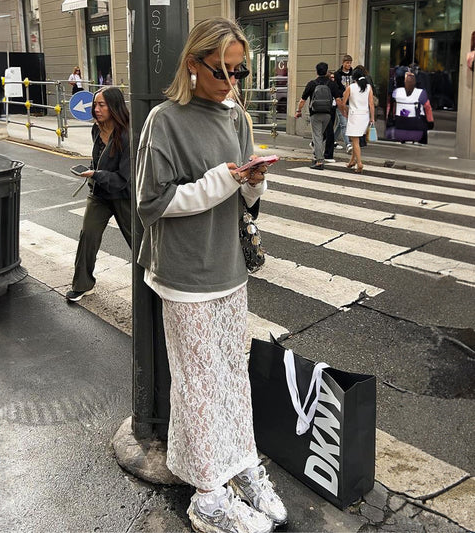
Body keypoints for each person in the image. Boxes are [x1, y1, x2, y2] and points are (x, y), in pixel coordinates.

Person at [136, 17, 287, 533]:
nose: (232, 81)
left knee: (230, 379)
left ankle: (240, 465)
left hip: (229, 267)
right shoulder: (164, 120)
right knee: (199, 385)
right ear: (193, 65)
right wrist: (224, 180)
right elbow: (150, 203)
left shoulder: (237, 117)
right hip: (183, 273)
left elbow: (244, 202)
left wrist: (253, 183)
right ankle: (207, 495)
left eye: (239, 70)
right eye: (222, 70)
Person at [66, 87, 132, 302]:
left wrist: (96, 173)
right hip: (100, 193)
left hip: (124, 195)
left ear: (114, 106)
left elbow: (123, 178)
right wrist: (93, 172)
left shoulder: (128, 135)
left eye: (101, 105)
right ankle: (83, 284)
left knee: (139, 243)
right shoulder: (97, 129)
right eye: (95, 104)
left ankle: (152, 287)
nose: (96, 109)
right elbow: (98, 159)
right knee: (88, 235)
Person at [295, 62, 341, 170]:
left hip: (315, 114)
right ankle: (317, 154)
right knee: (320, 136)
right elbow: (338, 100)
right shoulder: (331, 84)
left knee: (317, 136)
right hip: (328, 115)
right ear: (326, 72)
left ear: (316, 71)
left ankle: (319, 161)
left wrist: (298, 110)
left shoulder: (312, 84)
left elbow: (302, 100)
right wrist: (344, 111)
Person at [342, 68, 375, 173]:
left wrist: (345, 112)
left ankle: (359, 163)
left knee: (355, 141)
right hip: (364, 116)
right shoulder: (368, 87)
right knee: (355, 140)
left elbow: (343, 103)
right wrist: (372, 117)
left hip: (354, 116)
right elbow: (371, 104)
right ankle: (352, 161)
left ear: (354, 78)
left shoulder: (350, 87)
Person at [387, 71, 434, 144]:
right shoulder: (421, 93)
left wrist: (389, 117)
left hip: (399, 122)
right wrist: (430, 121)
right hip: (416, 124)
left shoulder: (397, 92)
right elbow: (427, 107)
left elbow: (391, 105)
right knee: (423, 123)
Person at [334, 54, 353, 152]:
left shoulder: (353, 73)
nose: (349, 65)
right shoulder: (337, 74)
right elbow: (336, 88)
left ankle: (332, 140)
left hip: (351, 100)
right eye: (347, 63)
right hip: (341, 100)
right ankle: (348, 144)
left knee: (341, 123)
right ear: (343, 63)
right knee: (344, 123)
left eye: (350, 63)